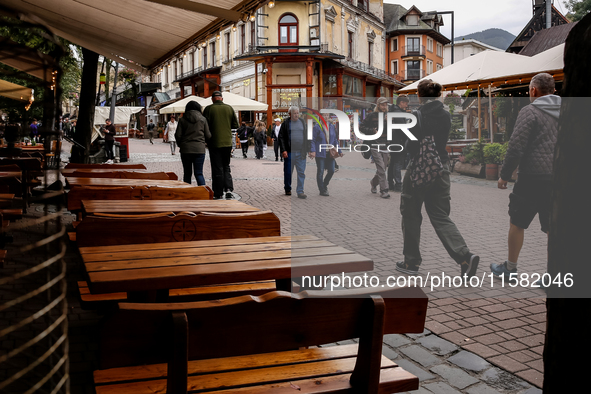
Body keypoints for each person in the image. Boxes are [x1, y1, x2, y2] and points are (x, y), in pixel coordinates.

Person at [396, 79, 479, 278]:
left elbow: (411, 146)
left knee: (411, 213)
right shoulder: (446, 115)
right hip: (440, 168)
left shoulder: (417, 115)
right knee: (440, 215)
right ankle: (464, 256)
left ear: (419, 96)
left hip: (419, 168)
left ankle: (411, 261)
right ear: (438, 95)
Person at [490, 73, 560, 279]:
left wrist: (504, 175)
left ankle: (510, 268)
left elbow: (516, 147)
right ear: (554, 90)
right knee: (552, 227)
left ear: (532, 91)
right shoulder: (568, 111)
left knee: (517, 222)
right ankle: (554, 275)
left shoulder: (530, 111)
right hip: (557, 178)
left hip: (531, 178)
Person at [203, 91, 239, 199]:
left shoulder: (208, 109)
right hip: (227, 142)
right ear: (222, 99)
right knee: (226, 166)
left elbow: (204, 125)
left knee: (217, 167)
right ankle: (228, 189)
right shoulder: (229, 108)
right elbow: (235, 125)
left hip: (214, 142)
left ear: (212, 99)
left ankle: (218, 192)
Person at [361, 97, 391, 199]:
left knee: (383, 168)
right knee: (381, 168)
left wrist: (388, 122)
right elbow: (361, 127)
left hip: (386, 145)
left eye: (386, 105)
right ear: (378, 105)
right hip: (374, 145)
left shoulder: (389, 116)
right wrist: (372, 131)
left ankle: (373, 183)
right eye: (383, 105)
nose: (384, 107)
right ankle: (384, 190)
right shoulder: (371, 116)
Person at [175, 101, 211, 186]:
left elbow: (178, 135)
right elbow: (208, 135)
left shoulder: (182, 120)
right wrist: (203, 142)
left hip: (186, 149)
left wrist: (181, 144)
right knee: (199, 173)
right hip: (199, 149)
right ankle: (203, 193)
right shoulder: (203, 119)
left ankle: (187, 193)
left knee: (187, 173)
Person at [278, 106, 310, 198]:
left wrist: (310, 149)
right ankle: (288, 189)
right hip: (289, 152)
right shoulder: (286, 123)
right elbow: (281, 137)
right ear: (290, 114)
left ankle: (300, 191)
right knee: (288, 172)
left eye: (297, 113)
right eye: (294, 113)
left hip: (301, 152)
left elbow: (308, 136)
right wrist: (283, 150)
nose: (296, 115)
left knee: (301, 172)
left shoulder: (303, 122)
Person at [309, 114, 342, 196]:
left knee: (331, 170)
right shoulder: (317, 127)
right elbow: (312, 140)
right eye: (324, 115)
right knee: (320, 171)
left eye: (327, 115)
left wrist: (339, 150)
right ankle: (322, 190)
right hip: (320, 153)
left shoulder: (331, 126)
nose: (325, 117)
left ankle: (324, 185)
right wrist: (313, 150)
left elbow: (335, 140)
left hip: (330, 153)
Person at [388, 95, 410, 192]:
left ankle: (390, 183)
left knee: (393, 163)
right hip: (398, 141)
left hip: (393, 141)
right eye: (406, 103)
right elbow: (402, 129)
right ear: (401, 102)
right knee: (398, 163)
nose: (406, 105)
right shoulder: (398, 113)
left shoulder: (393, 112)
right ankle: (398, 184)